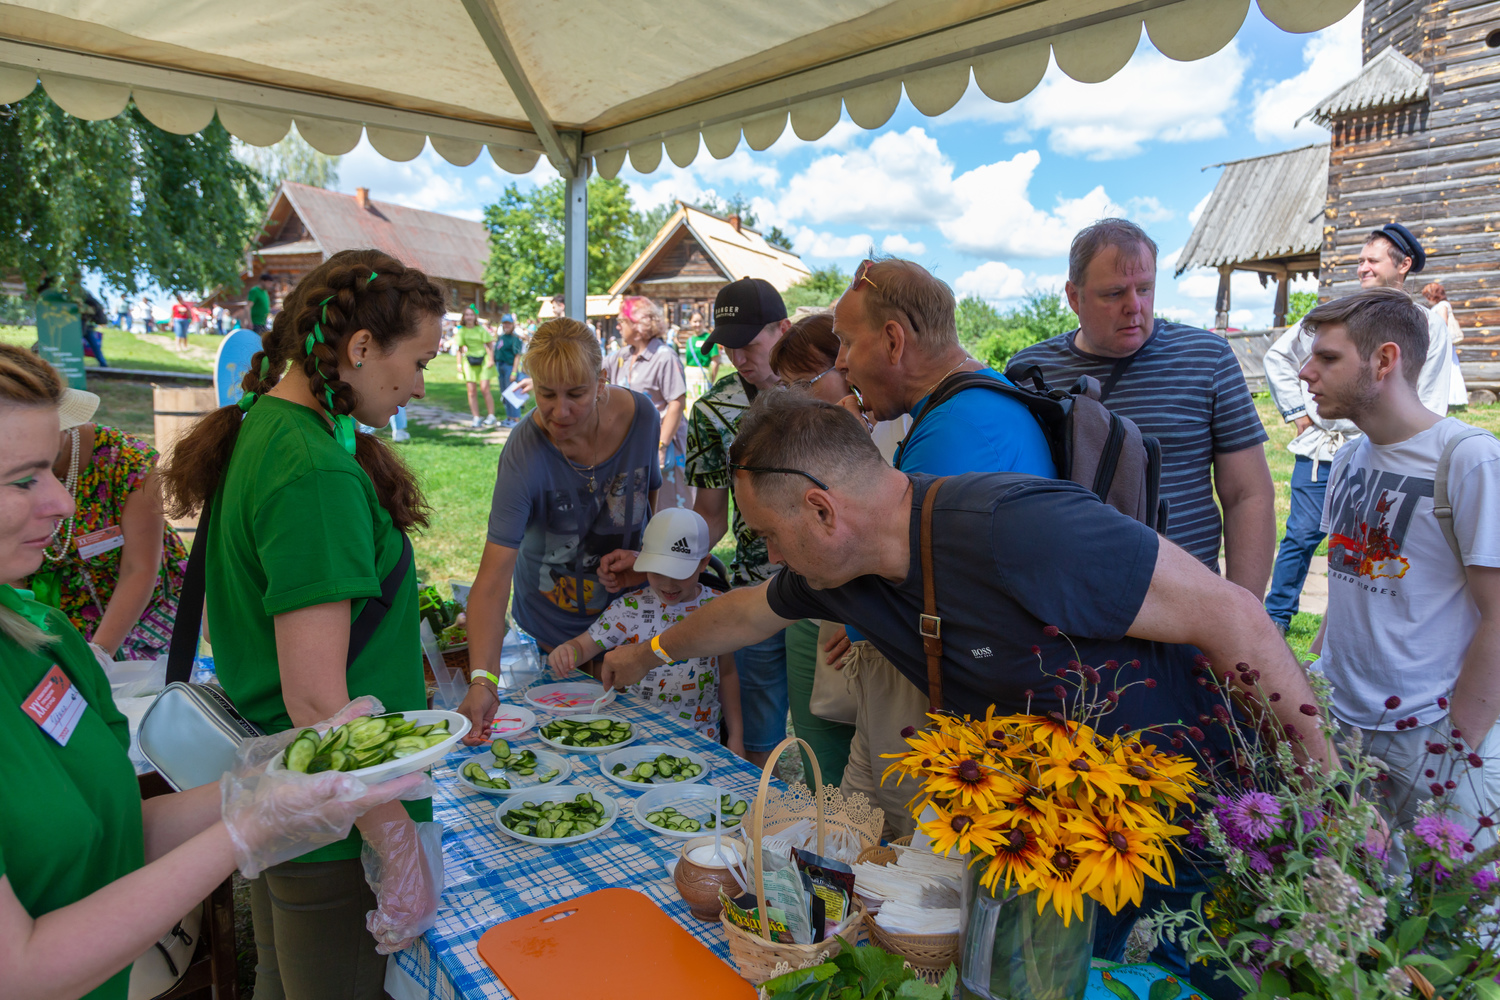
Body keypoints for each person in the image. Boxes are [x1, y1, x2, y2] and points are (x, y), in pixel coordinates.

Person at [599, 386, 1332, 975]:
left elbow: (1235, 619)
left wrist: (1326, 803)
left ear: (822, 511)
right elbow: (741, 614)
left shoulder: (1016, 530)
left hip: (1182, 839)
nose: (766, 553)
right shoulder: (846, 571)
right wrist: (649, 652)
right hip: (1049, 850)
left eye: (765, 534)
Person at [0, 342, 431, 1000]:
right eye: (25, 479)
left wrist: (274, 770)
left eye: (55, 467)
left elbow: (112, 831)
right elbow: (21, 971)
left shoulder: (42, 639)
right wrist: (245, 829)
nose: (63, 500)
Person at [158, 250, 445, 997]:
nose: (419, 384)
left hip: (288, 796)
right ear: (359, 349)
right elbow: (317, 699)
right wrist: (394, 841)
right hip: (334, 823)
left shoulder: (269, 426)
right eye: (419, 360)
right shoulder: (311, 469)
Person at [829, 257, 1058, 835]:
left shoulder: (956, 428)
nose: (839, 363)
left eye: (845, 343)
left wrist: (844, 459)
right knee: (854, 835)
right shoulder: (970, 405)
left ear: (892, 339)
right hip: (939, 679)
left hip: (938, 697)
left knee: (896, 861)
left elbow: (878, 564)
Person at [1299, 287, 1500, 853]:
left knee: (1442, 918)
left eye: (1328, 358)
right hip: (1344, 724)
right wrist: (1317, 675)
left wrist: (1454, 747)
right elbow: (1345, 585)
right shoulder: (1347, 459)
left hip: (1430, 734)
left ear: (1384, 361)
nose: (1307, 372)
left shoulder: (1468, 458)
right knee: (1355, 902)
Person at [1011, 219, 1275, 595]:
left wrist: (1244, 612)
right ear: (1074, 297)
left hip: (1189, 604)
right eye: (1114, 293)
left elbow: (1248, 494)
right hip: (1070, 604)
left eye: (1145, 289)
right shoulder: (1031, 373)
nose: (1134, 307)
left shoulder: (1207, 358)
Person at [454, 318, 662, 745]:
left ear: (601, 381)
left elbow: (655, 510)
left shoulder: (641, 417)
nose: (560, 411)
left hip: (632, 632)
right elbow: (492, 582)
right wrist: (482, 681)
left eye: (576, 394)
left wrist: (647, 564)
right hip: (550, 643)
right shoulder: (523, 451)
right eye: (546, 394)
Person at [1260, 224, 1459, 630]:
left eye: (1373, 260)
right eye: (1360, 261)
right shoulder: (1341, 314)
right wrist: (1299, 412)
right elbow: (1279, 357)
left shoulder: (1424, 323)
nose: (1363, 268)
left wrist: (1417, 449)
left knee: (1377, 547)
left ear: (1403, 266)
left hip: (1393, 451)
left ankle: (1369, 624)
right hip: (1329, 448)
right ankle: (1275, 618)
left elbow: (1430, 394)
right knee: (1303, 536)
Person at [683, 277, 791, 767]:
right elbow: (710, 513)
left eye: (750, 344)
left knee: (830, 726)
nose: (740, 358)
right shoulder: (711, 411)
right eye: (728, 348)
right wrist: (670, 557)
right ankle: (761, 827)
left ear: (783, 329)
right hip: (756, 591)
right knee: (758, 731)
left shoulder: (833, 389)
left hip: (832, 590)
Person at [547, 507, 743, 749]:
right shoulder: (629, 608)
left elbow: (727, 674)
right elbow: (583, 645)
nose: (668, 584)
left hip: (701, 741)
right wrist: (569, 650)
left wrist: (735, 736)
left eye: (679, 573)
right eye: (658, 571)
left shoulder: (716, 609)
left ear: (703, 562)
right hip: (637, 741)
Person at [23, 391, 186, 660]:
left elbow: (140, 568)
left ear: (64, 428)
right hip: (54, 613)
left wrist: (99, 654)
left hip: (142, 611)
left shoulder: (129, 461)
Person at [608, 296, 692, 510]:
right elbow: (589, 372)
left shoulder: (664, 356)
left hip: (662, 444)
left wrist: (661, 446)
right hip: (633, 446)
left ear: (638, 324)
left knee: (665, 507)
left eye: (622, 321)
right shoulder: (623, 355)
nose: (617, 326)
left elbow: (676, 403)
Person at [1422, 281, 1469, 408]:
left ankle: (1452, 399)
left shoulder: (1442, 305)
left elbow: (1442, 323)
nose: (1426, 299)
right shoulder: (1441, 305)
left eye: (1427, 295)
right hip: (1441, 341)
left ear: (1433, 295)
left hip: (1442, 342)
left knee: (1447, 368)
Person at [453, 307, 498, 428]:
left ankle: (491, 415)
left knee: (485, 388)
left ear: (475, 317)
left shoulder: (480, 329)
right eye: (467, 315)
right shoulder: (462, 331)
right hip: (469, 361)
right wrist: (459, 364)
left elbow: (490, 345)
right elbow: (459, 349)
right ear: (464, 317)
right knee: (471, 391)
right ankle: (476, 417)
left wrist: (491, 359)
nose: (469, 317)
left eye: (471, 315)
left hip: (483, 359)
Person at [680, 311, 721, 406]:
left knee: (701, 404)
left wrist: (712, 379)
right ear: (690, 322)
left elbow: (716, 361)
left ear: (704, 322)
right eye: (695, 321)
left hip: (702, 376)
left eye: (700, 321)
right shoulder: (689, 340)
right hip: (689, 376)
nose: (697, 324)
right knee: (689, 404)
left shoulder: (710, 339)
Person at [494, 313, 525, 426]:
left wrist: (514, 371)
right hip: (500, 366)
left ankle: (516, 418)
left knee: (512, 393)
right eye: (504, 323)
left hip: (509, 367)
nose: (506, 325)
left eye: (508, 323)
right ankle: (509, 417)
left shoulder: (515, 339)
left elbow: (517, 355)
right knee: (505, 393)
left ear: (512, 325)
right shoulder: (501, 337)